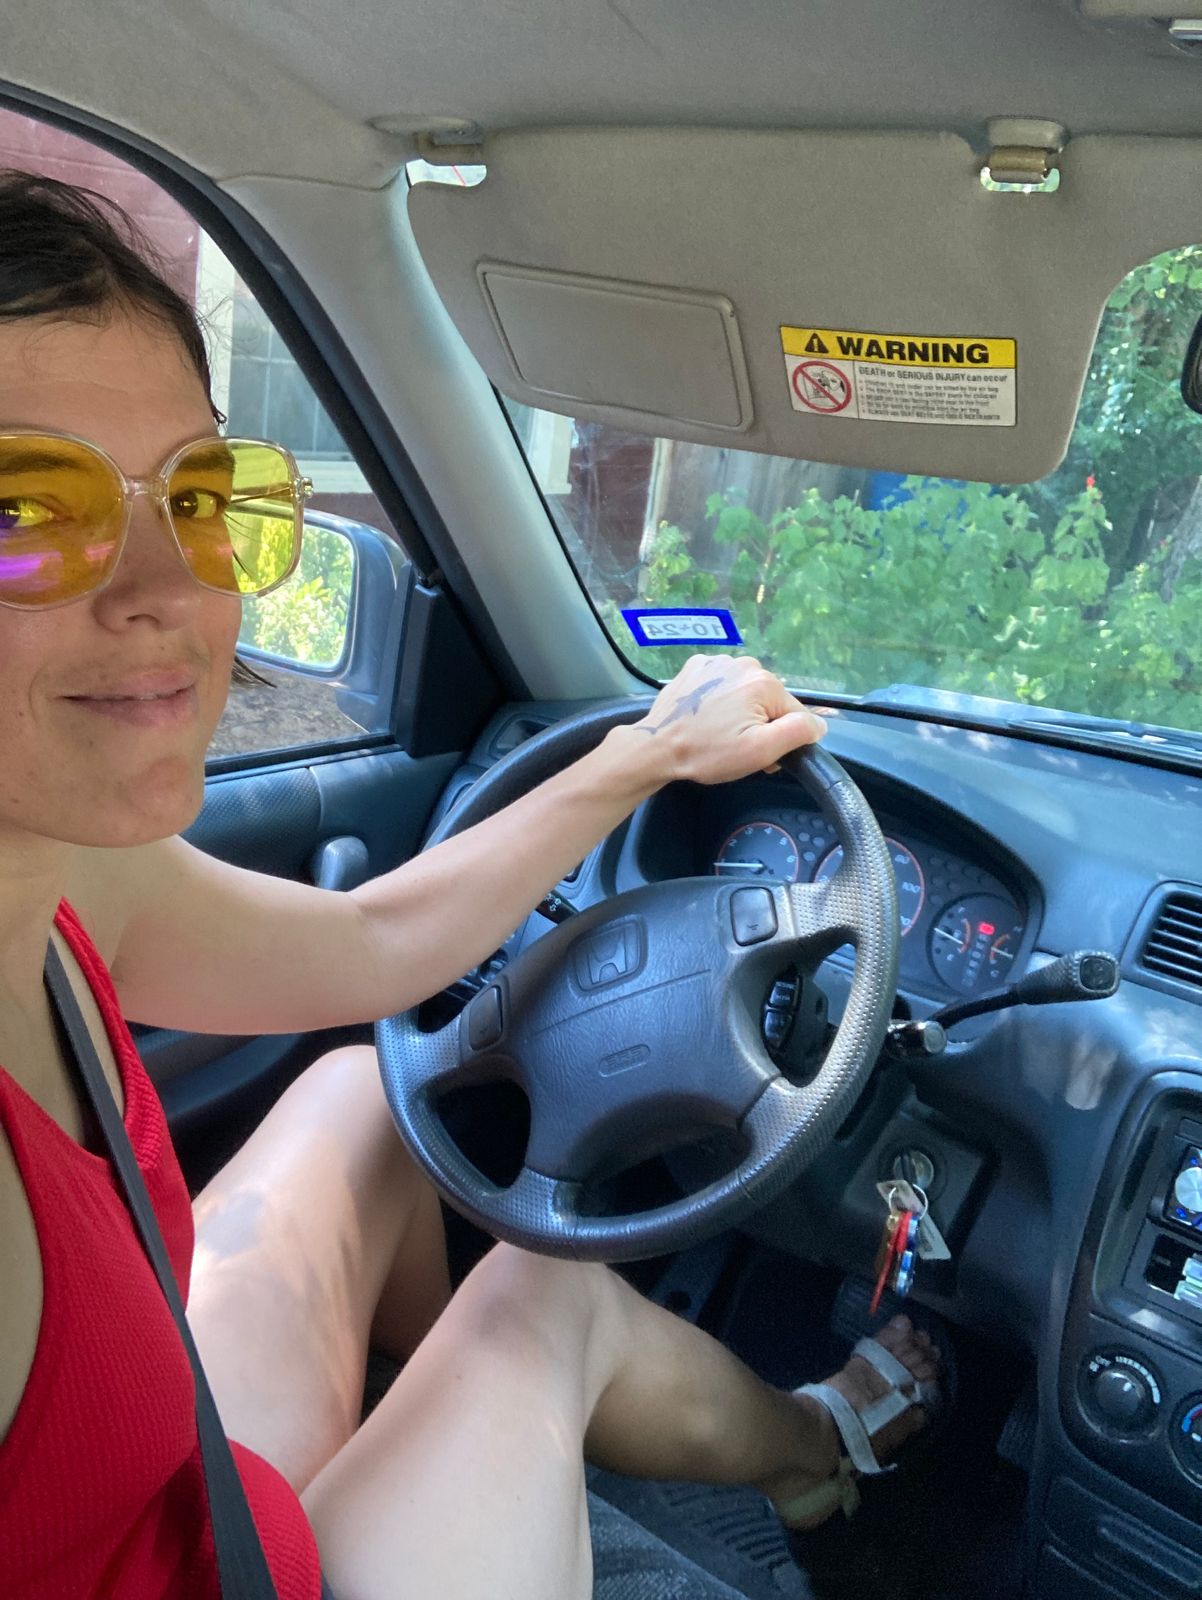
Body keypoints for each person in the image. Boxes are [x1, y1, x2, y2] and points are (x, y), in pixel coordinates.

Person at [0, 172, 939, 1600]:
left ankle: (444, 1441)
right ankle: (816, 1449)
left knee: (360, 1096)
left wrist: (642, 757)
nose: (171, 591)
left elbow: (373, 941)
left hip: (171, 1491)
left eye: (199, 498)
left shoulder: (68, 873)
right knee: (545, 1292)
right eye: (24, 505)